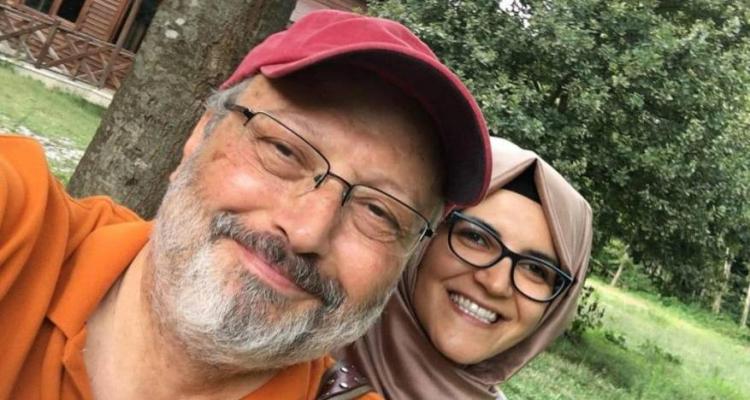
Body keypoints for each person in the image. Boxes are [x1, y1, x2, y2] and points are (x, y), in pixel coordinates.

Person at [0, 10, 492, 400]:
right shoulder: (22, 228)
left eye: (379, 212)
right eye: (283, 150)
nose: (307, 230)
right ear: (198, 137)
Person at [338, 137, 593, 399]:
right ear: (425, 235)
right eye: (476, 238)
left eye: (536, 270)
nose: (496, 284)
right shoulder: (313, 350)